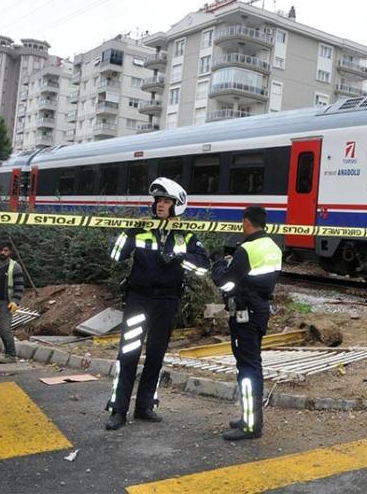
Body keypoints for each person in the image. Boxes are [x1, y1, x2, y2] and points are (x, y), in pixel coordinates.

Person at [105, 177, 210, 431]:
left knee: (156, 355)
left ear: (177, 205)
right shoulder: (141, 228)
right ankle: (118, 410)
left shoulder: (185, 235)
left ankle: (144, 407)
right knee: (128, 353)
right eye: (158, 201)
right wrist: (127, 233)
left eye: (166, 201)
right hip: (138, 300)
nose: (160, 205)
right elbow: (116, 255)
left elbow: (203, 267)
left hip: (166, 301)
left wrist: (179, 257)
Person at [211, 205, 282, 441]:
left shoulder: (246, 249)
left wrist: (218, 262)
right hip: (260, 309)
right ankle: (248, 417)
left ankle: (250, 426)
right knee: (252, 365)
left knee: (248, 369)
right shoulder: (273, 246)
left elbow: (224, 282)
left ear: (246, 222)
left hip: (245, 313)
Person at [0, 241, 24, 363]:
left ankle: (11, 355)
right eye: (0, 250)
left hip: (5, 303)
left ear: (10, 252)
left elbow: (19, 286)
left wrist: (15, 301)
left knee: (4, 330)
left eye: (5, 250)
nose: (2, 253)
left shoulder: (14, 266)